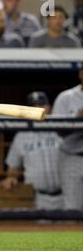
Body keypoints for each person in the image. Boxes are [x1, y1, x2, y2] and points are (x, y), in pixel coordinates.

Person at [0, 92, 63, 210]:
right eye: (34, 106)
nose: (38, 109)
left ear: (49, 108)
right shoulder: (21, 135)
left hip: (67, 195)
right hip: (38, 198)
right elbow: (13, 166)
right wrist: (11, 177)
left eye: (41, 105)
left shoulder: (61, 130)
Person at [52, 66, 83, 210]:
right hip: (72, 156)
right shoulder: (66, 97)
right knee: (72, 206)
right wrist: (77, 119)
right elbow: (58, 130)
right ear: (80, 74)